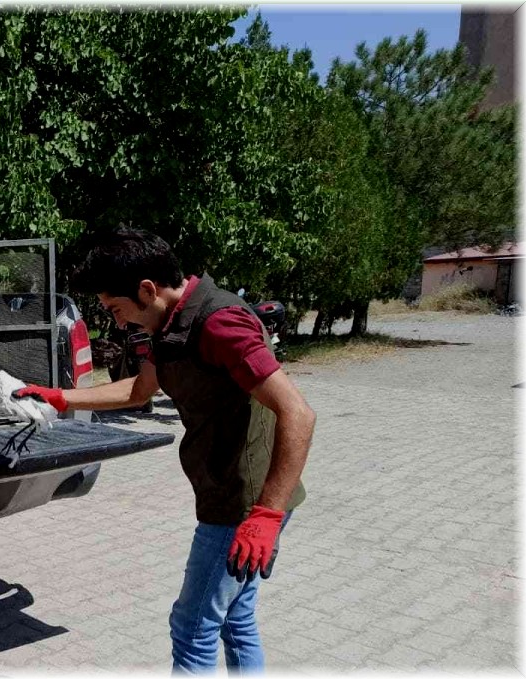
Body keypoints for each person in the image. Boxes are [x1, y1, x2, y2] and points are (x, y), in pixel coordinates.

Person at [17, 227, 315, 673]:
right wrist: (61, 398)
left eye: (116, 309)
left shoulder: (218, 323)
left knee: (192, 628)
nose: (117, 322)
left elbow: (298, 413)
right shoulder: (174, 323)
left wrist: (266, 515)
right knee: (235, 619)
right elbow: (140, 389)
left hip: (243, 504)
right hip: (230, 493)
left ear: (147, 289)